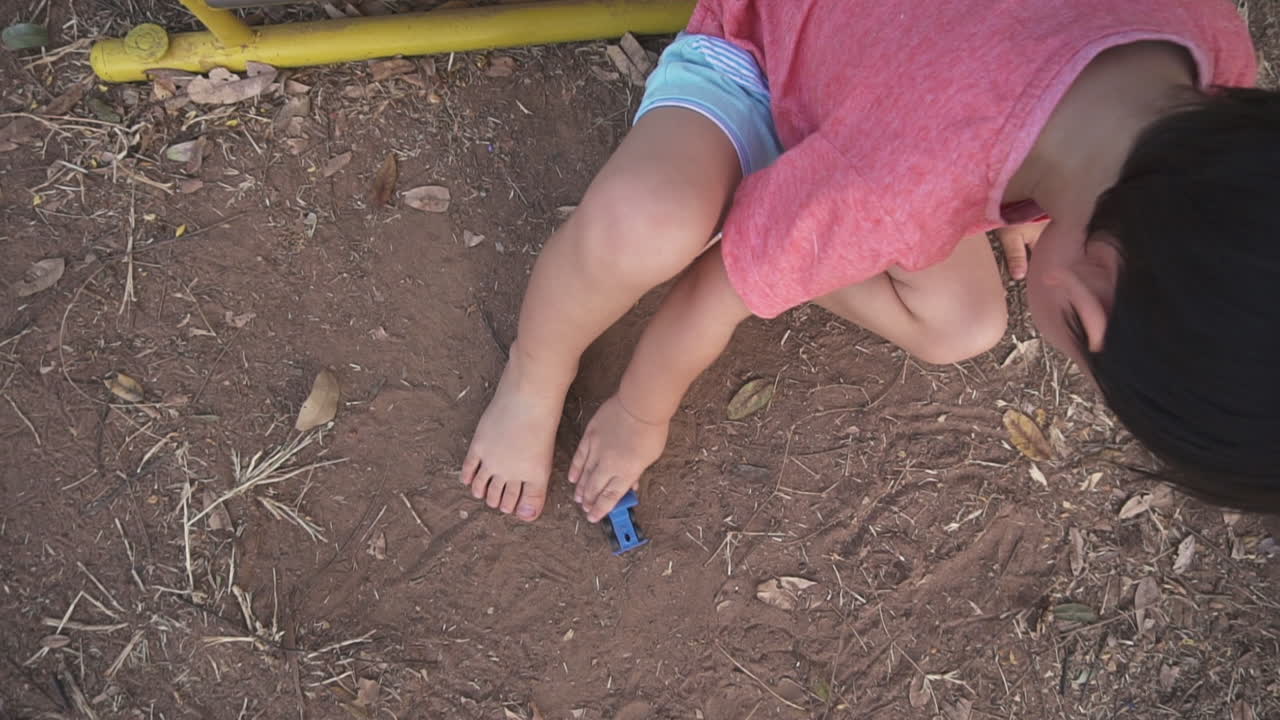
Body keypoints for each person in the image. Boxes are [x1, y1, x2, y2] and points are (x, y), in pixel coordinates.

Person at [461, 0, 1278, 524]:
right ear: (1091, 302)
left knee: (965, 323)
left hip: (906, 105)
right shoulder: (905, 186)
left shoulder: (1211, 42)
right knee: (649, 226)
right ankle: (535, 373)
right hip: (764, 55)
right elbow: (716, 293)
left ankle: (798, 219)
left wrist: (1065, 198)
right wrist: (641, 415)